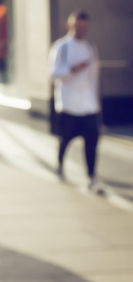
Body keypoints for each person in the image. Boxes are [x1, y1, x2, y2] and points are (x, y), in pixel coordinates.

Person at [49, 10, 103, 194]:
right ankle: (59, 165)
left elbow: (94, 78)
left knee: (92, 143)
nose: (82, 30)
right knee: (65, 140)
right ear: (70, 25)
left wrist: (97, 104)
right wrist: (72, 69)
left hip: (89, 106)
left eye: (84, 27)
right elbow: (53, 74)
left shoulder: (91, 48)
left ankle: (92, 177)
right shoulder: (61, 47)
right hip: (69, 105)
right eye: (78, 26)